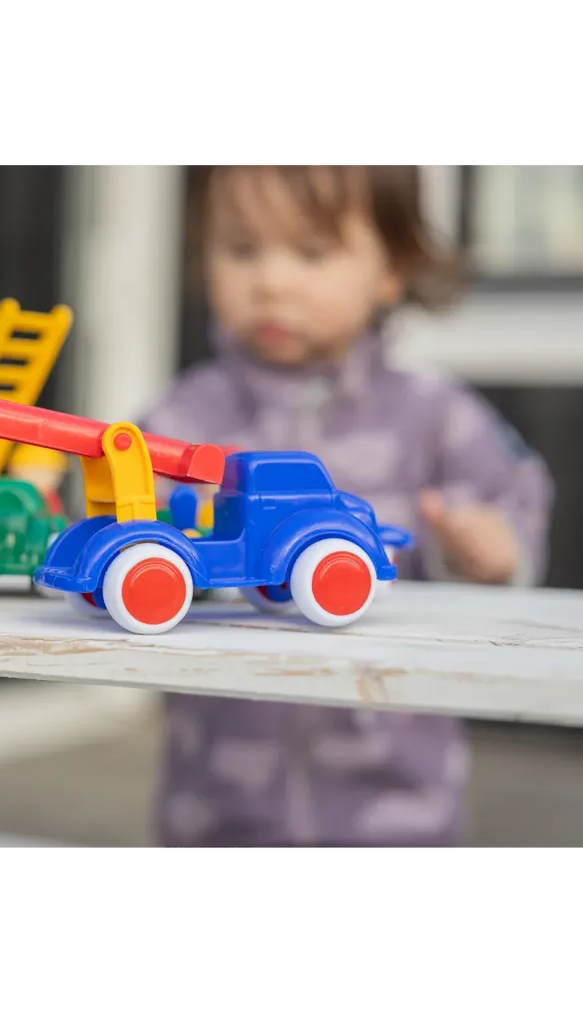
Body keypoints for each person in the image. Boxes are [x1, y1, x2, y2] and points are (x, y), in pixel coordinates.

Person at [134, 162, 556, 849]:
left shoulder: (435, 415)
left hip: (397, 807)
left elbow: (515, 498)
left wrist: (491, 548)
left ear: (391, 270)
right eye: (241, 249)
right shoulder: (183, 415)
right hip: (219, 803)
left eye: (311, 253)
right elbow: (124, 517)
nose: (271, 281)